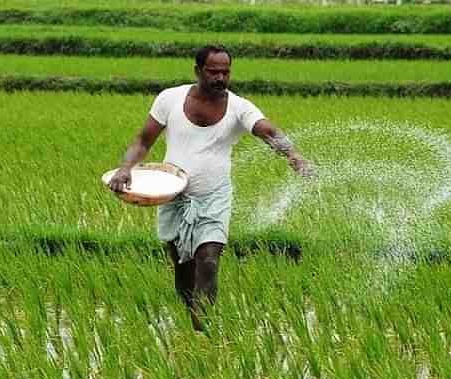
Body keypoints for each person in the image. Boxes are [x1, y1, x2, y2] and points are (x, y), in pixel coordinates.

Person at [109, 45, 314, 331]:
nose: (220, 77)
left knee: (208, 259)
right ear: (198, 71)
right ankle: (193, 319)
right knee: (183, 270)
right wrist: (125, 168)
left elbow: (268, 131)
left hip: (214, 196)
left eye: (225, 72)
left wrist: (293, 155)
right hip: (173, 195)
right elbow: (143, 141)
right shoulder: (170, 99)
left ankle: (204, 327)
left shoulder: (240, 107)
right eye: (213, 71)